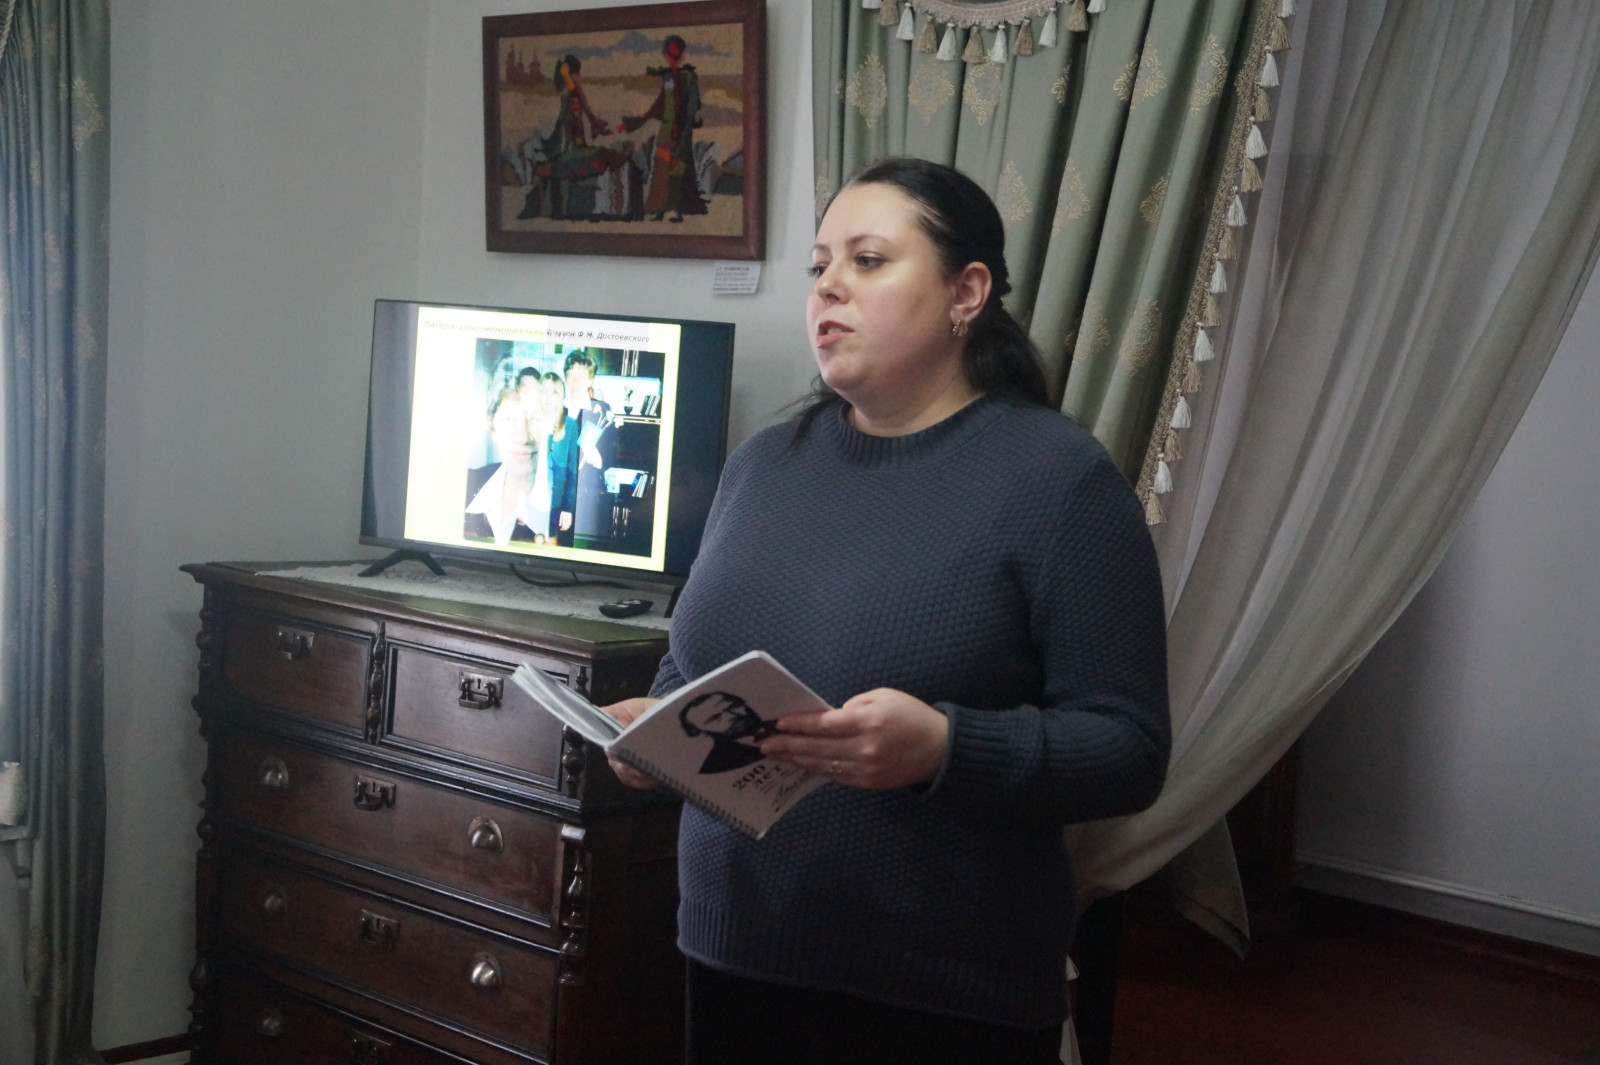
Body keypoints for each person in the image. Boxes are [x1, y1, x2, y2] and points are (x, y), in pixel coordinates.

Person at [602, 157, 1170, 1065]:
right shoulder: (761, 465)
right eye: (820, 264)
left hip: (944, 987)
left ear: (966, 292)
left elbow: (1129, 749)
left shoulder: (1060, 483)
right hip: (735, 948)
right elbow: (691, 667)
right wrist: (655, 729)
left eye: (867, 260)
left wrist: (944, 748)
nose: (828, 286)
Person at [622, 34, 707, 222]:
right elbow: (660, 106)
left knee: (676, 169)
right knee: (661, 171)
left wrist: (681, 134)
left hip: (680, 132)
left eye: (673, 55)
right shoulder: (669, 77)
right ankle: (660, 208)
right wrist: (636, 122)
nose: (671, 58)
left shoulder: (689, 78)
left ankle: (675, 210)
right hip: (666, 131)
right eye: (669, 55)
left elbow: (691, 108)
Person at [463, 386, 541, 545]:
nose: (523, 436)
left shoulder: (564, 509)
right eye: (509, 420)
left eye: (533, 419)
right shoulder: (466, 485)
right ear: (493, 431)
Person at [562, 351, 615, 545]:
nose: (575, 382)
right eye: (571, 375)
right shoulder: (558, 410)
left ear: (590, 380)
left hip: (589, 499)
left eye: (581, 376)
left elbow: (613, 456)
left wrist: (599, 459)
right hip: (560, 497)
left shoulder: (602, 412)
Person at [678, 691, 781, 774]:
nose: (731, 716)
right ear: (702, 732)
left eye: (732, 707)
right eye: (715, 718)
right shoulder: (715, 766)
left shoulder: (783, 723)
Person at [542, 371, 579, 545]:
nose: (549, 397)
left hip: (556, 506)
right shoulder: (531, 423)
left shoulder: (570, 425)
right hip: (531, 504)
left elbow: (572, 472)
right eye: (544, 391)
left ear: (561, 396)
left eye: (554, 392)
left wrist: (568, 508)